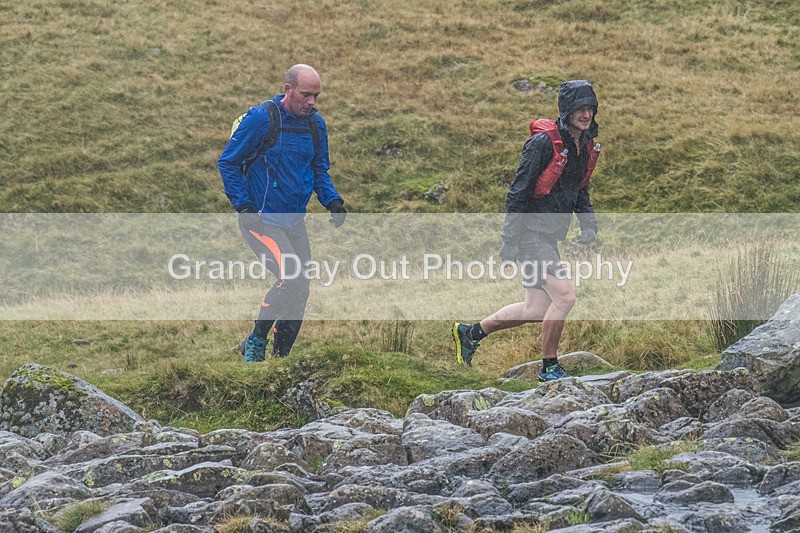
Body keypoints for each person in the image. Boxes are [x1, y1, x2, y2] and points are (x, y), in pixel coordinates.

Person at [453, 80, 600, 382]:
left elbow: (579, 190)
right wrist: (509, 241)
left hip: (549, 235)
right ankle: (549, 368)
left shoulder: (583, 146)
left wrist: (588, 224)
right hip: (530, 234)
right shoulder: (543, 144)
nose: (585, 114)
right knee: (565, 297)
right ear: (567, 110)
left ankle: (472, 333)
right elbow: (517, 193)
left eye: (590, 108)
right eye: (579, 108)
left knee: (535, 308)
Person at [218, 64, 347, 362]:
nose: (312, 102)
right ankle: (255, 342)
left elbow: (319, 169)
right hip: (261, 220)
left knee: (301, 289)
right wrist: (244, 205)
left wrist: (332, 200)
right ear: (288, 89)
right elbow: (228, 163)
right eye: (306, 94)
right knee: (290, 277)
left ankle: (281, 359)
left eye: (316, 95)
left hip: (294, 222)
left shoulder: (316, 125)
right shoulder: (262, 119)